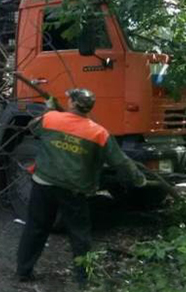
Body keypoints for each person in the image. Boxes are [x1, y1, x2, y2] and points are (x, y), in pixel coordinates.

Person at [15, 88, 147, 286]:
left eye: (69, 99)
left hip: (44, 184)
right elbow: (120, 162)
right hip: (73, 191)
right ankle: (84, 279)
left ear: (72, 103)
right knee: (80, 235)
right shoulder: (98, 133)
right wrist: (139, 179)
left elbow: (33, 127)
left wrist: (49, 109)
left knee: (36, 227)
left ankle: (23, 271)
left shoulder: (51, 119)